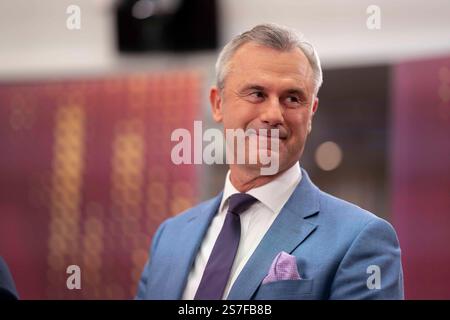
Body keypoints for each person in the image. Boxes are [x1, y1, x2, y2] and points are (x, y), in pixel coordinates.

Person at [136, 23, 404, 300]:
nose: (274, 114)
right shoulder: (170, 236)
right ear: (218, 104)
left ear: (310, 113)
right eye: (257, 94)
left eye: (292, 98)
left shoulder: (359, 240)